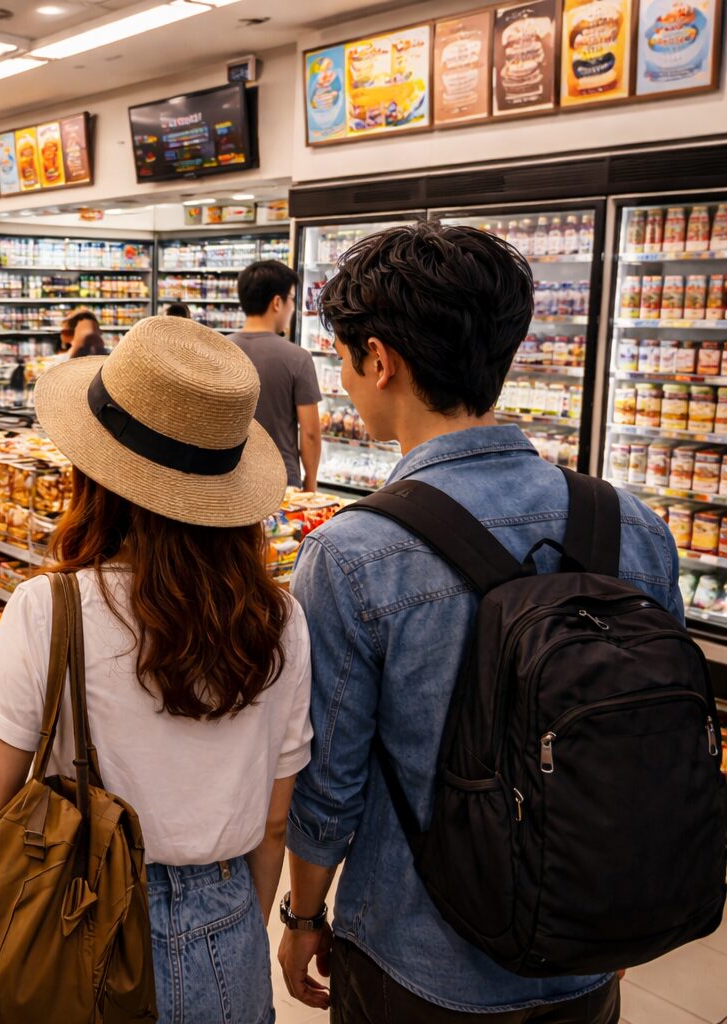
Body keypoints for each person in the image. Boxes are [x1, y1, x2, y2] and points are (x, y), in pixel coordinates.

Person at [279, 222, 681, 1022]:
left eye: (346, 357)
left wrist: (301, 916)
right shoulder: (634, 526)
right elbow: (650, 739)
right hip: (587, 939)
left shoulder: (356, 552)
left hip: (418, 956)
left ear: (380, 358)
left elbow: (332, 786)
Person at [0, 316, 313, 1024]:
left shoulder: (49, 607)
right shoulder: (279, 621)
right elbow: (276, 823)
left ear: (96, 474)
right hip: (228, 923)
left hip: (74, 919)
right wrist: (239, 922)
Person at [226, 260, 321, 491]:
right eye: (291, 299)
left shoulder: (220, 350)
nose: (292, 307)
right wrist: (310, 484)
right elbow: (310, 433)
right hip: (281, 480)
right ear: (277, 302)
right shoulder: (298, 358)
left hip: (228, 477)